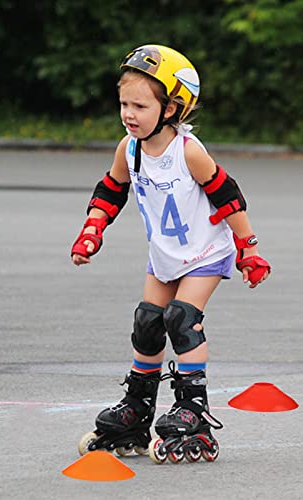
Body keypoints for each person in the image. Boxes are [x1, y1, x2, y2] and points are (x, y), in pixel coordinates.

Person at [71, 44, 271, 463]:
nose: (129, 113)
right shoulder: (129, 148)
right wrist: (93, 227)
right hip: (164, 256)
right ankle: (137, 411)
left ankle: (193, 410)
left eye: (140, 105)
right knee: (147, 323)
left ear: (173, 107)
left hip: (204, 253)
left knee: (181, 319)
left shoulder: (188, 151)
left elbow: (228, 197)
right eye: (124, 103)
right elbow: (111, 189)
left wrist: (248, 248)